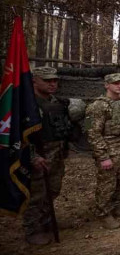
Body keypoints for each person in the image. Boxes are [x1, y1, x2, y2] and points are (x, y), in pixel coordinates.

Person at [23, 67, 73, 245]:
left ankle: (46, 221)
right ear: (34, 81)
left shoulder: (57, 102)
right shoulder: (27, 105)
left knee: (53, 189)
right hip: (38, 155)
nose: (53, 84)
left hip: (57, 152)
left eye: (55, 80)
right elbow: (17, 135)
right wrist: (32, 156)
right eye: (47, 80)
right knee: (37, 193)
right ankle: (33, 229)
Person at [86, 73, 120, 230]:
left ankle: (118, 207)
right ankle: (104, 213)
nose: (119, 86)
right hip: (109, 151)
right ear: (106, 85)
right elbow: (92, 133)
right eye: (115, 83)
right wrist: (103, 156)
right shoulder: (97, 106)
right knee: (107, 183)